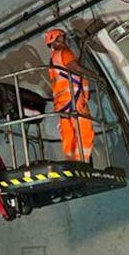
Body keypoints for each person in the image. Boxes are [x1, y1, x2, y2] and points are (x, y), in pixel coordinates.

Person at [45, 28, 94, 162]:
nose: (65, 39)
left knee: (69, 134)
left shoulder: (53, 59)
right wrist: (97, 77)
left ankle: (71, 161)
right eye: (63, 37)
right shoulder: (65, 52)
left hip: (62, 103)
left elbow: (70, 71)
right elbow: (76, 68)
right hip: (74, 100)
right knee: (85, 132)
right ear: (58, 39)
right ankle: (82, 162)